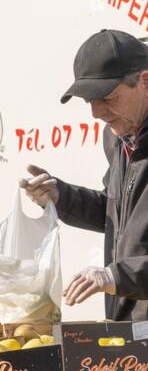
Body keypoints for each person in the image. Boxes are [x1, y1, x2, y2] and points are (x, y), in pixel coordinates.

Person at [20, 29, 148, 317]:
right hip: (131, 327)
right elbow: (117, 213)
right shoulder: (118, 136)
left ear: (145, 82)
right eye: (89, 100)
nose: (96, 112)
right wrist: (60, 196)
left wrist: (116, 276)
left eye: (108, 98)